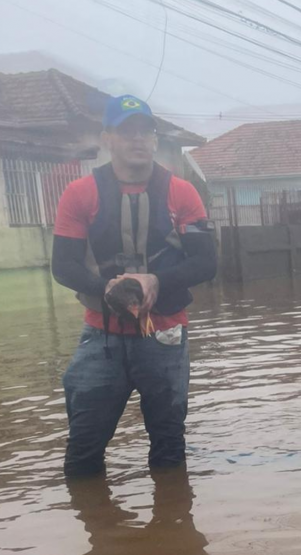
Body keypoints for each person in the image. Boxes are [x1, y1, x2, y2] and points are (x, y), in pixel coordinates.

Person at [52, 95, 217, 477]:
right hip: (102, 334)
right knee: (83, 449)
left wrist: (156, 280)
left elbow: (206, 262)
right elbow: (63, 265)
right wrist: (106, 287)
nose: (138, 139)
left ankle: (172, 527)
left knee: (169, 446)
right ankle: (96, 527)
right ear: (107, 138)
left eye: (146, 131)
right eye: (127, 131)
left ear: (156, 140)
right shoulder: (80, 194)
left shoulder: (182, 193)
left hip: (166, 333)